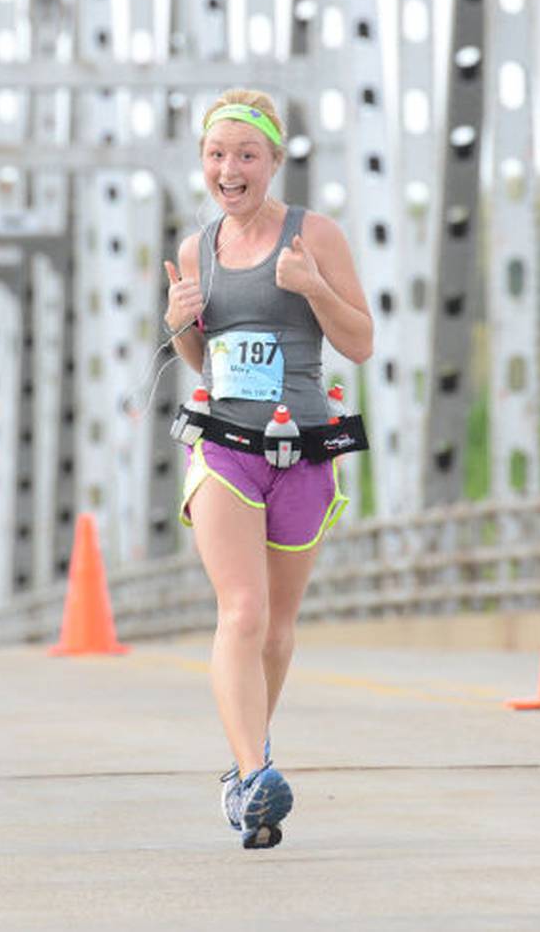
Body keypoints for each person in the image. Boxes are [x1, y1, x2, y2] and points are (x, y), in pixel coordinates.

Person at [162, 88, 373, 849]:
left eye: (246, 154)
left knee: (278, 630)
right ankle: (255, 776)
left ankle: (245, 768)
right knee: (242, 611)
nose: (230, 168)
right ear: (204, 164)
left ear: (274, 162)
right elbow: (202, 359)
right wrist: (181, 324)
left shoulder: (315, 234)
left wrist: (313, 286)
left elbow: (361, 341)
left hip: (306, 446)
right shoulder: (196, 249)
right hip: (223, 444)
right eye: (217, 155)